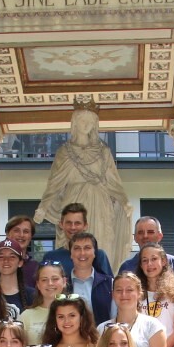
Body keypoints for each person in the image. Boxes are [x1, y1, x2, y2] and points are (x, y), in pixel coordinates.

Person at [35, 104, 132, 262]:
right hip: (73, 199)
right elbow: (55, 183)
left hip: (100, 202)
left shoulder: (104, 152)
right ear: (75, 123)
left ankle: (99, 273)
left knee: (100, 242)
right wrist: (43, 207)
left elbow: (113, 181)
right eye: (82, 121)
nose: (86, 125)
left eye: (90, 121)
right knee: (71, 240)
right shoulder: (64, 152)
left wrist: (124, 201)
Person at [100, 270, 167, 347]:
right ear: (113, 294)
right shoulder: (102, 328)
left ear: (139, 293)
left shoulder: (153, 326)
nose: (124, 294)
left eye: (129, 290)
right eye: (119, 290)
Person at [41, 203, 113, 277]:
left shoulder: (98, 255)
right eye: (69, 223)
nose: (73, 227)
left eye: (77, 223)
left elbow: (108, 283)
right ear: (61, 224)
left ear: (85, 226)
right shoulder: (51, 257)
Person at [118, 216, 174, 283]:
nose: (145, 236)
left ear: (160, 236)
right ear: (135, 238)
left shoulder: (172, 262)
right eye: (141, 232)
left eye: (150, 232)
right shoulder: (127, 267)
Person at [0, 215, 40, 290]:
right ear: (8, 234)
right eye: (16, 230)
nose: (21, 235)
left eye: (26, 231)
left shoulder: (35, 266)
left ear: (31, 236)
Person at [65, 232, 113, 324]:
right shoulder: (62, 284)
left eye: (87, 248)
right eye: (77, 248)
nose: (82, 253)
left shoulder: (109, 283)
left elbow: (115, 319)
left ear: (94, 253)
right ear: (70, 254)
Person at [16, 262, 64, 344]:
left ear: (64, 281)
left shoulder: (75, 313)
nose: (50, 283)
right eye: (44, 280)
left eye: (55, 279)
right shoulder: (26, 316)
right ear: (38, 284)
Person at [0, 238, 34, 316]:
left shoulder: (32, 295)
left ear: (20, 263)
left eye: (12, 257)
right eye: (1, 257)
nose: (6, 260)